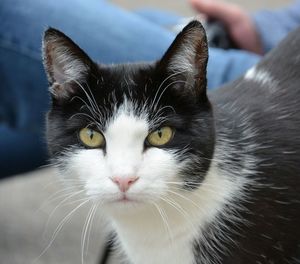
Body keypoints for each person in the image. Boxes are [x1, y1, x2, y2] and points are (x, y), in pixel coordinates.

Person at [0, 0, 299, 179]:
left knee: (9, 14)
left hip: (278, 82)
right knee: (149, 20)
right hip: (274, 46)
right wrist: (261, 30)